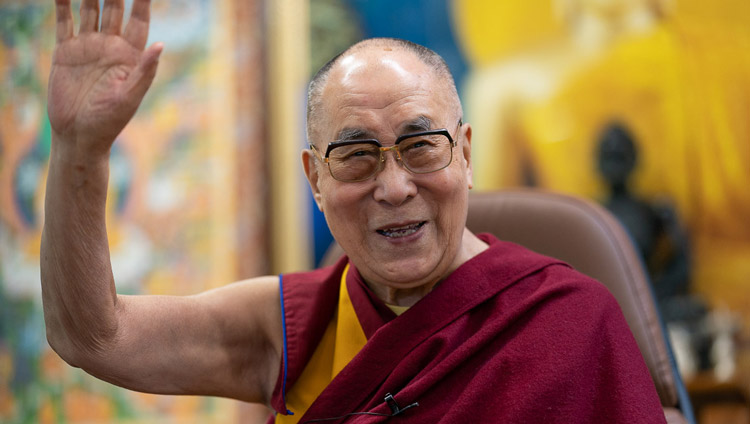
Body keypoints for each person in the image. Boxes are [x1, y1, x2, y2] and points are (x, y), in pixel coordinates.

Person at [42, 0, 667, 422]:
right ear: (315, 177)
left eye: (422, 147)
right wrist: (78, 151)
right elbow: (93, 336)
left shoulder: (576, 324)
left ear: (467, 154)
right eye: (356, 155)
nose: (394, 187)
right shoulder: (294, 328)